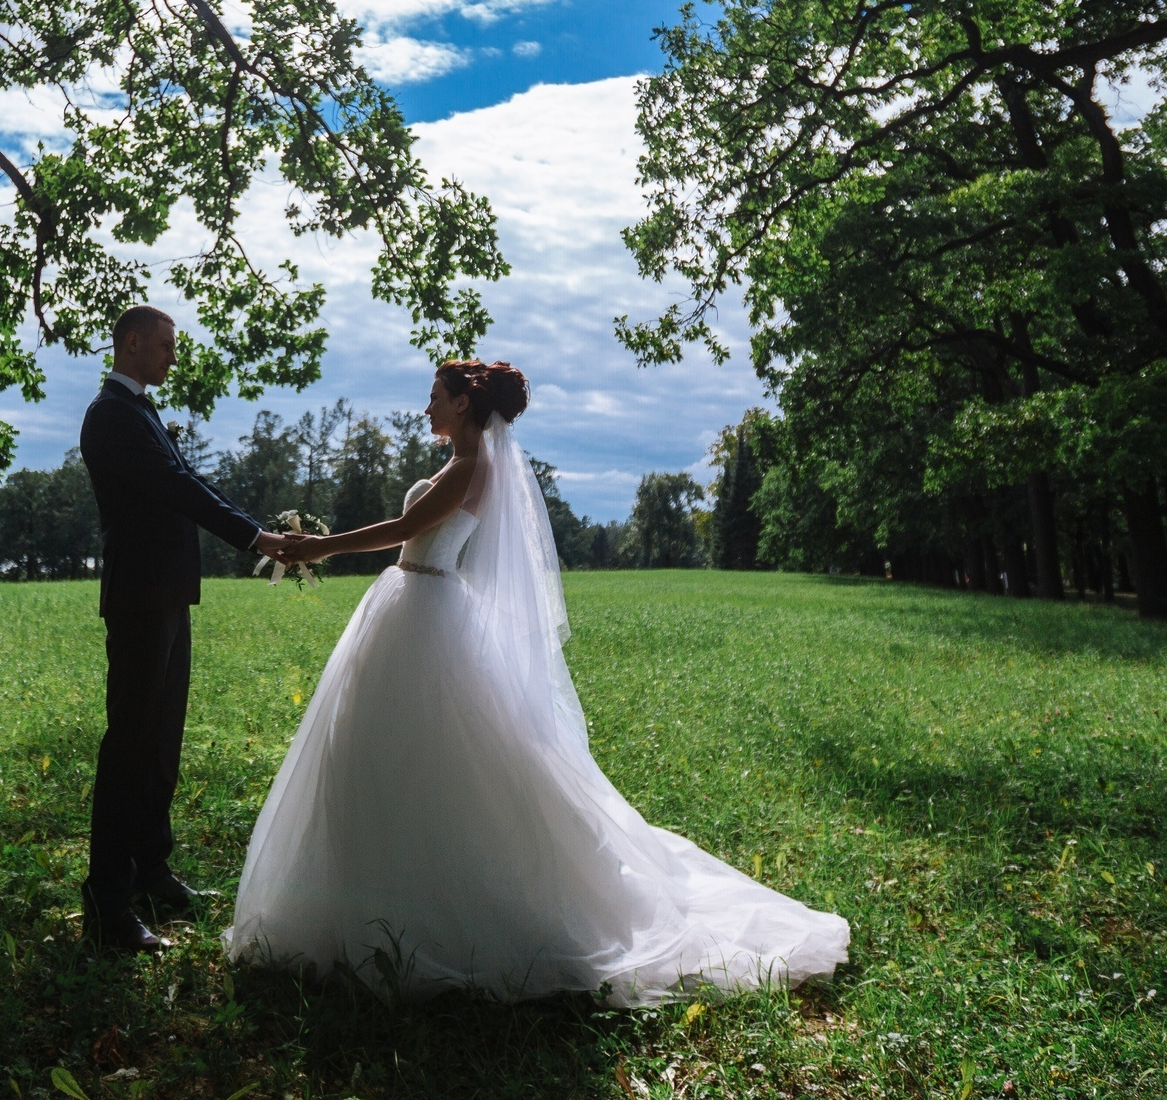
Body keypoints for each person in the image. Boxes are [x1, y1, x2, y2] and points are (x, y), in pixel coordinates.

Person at [224, 360, 848, 1004]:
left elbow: (406, 532)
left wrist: (315, 547)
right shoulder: (460, 463)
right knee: (385, 752)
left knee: (431, 755)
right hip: (416, 604)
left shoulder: (471, 469)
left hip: (425, 606)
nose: (427, 407)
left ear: (466, 403)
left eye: (436, 396)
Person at [78, 306, 293, 954]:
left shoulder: (139, 409)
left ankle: (151, 871)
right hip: (140, 598)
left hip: (168, 597)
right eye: (167, 345)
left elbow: (181, 482)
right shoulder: (110, 413)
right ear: (133, 343)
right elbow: (176, 485)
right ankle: (107, 906)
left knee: (161, 745)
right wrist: (254, 535)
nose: (174, 356)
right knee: (130, 748)